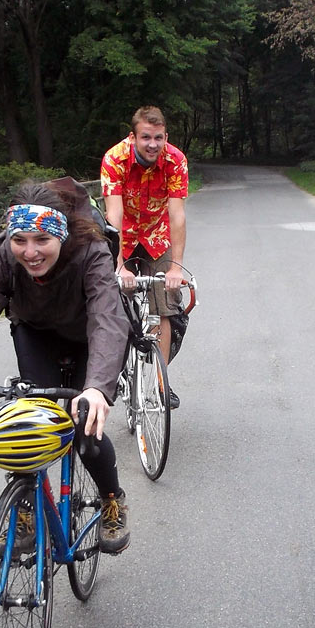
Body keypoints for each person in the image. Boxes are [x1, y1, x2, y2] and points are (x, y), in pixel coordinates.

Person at [0, 177, 132, 553]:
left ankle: (111, 498)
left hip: (88, 337)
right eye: (20, 240)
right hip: (36, 332)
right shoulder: (2, 253)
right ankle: (27, 507)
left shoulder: (91, 251)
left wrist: (97, 387)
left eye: (42, 241)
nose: (30, 252)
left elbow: (106, 317)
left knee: (86, 427)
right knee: (30, 419)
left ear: (61, 236)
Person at [101, 106, 188, 409]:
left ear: (166, 137)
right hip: (122, 234)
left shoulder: (175, 161)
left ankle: (160, 382)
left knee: (166, 305)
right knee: (109, 303)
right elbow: (114, 214)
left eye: (159, 138)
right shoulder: (115, 159)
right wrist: (121, 264)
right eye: (146, 137)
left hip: (155, 234)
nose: (153, 144)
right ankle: (111, 372)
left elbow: (177, 215)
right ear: (134, 136)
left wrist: (175, 267)